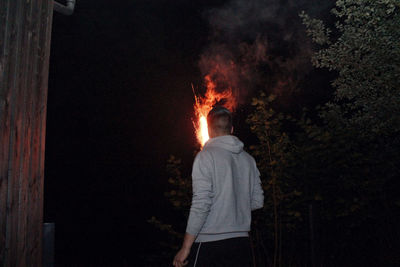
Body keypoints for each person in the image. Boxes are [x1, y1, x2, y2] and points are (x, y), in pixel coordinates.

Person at [173, 106, 264, 267]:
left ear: (208, 129)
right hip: (241, 245)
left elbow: (201, 204)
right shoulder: (249, 160)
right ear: (232, 129)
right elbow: (258, 201)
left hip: (210, 244)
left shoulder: (205, 157)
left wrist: (186, 247)